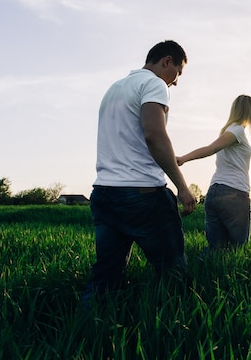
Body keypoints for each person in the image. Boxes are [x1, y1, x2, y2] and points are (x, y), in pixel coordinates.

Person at [83, 40, 196, 303]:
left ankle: (85, 333)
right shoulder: (154, 84)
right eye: (177, 74)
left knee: (105, 276)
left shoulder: (114, 88)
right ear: (167, 61)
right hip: (143, 196)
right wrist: (182, 186)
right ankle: (178, 330)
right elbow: (155, 134)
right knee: (173, 273)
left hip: (104, 193)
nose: (175, 82)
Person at [177, 95, 251, 251]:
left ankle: (196, 273)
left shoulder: (230, 131)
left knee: (216, 249)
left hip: (215, 192)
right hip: (234, 193)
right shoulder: (236, 131)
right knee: (237, 249)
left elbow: (212, 148)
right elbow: (211, 149)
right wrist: (184, 158)